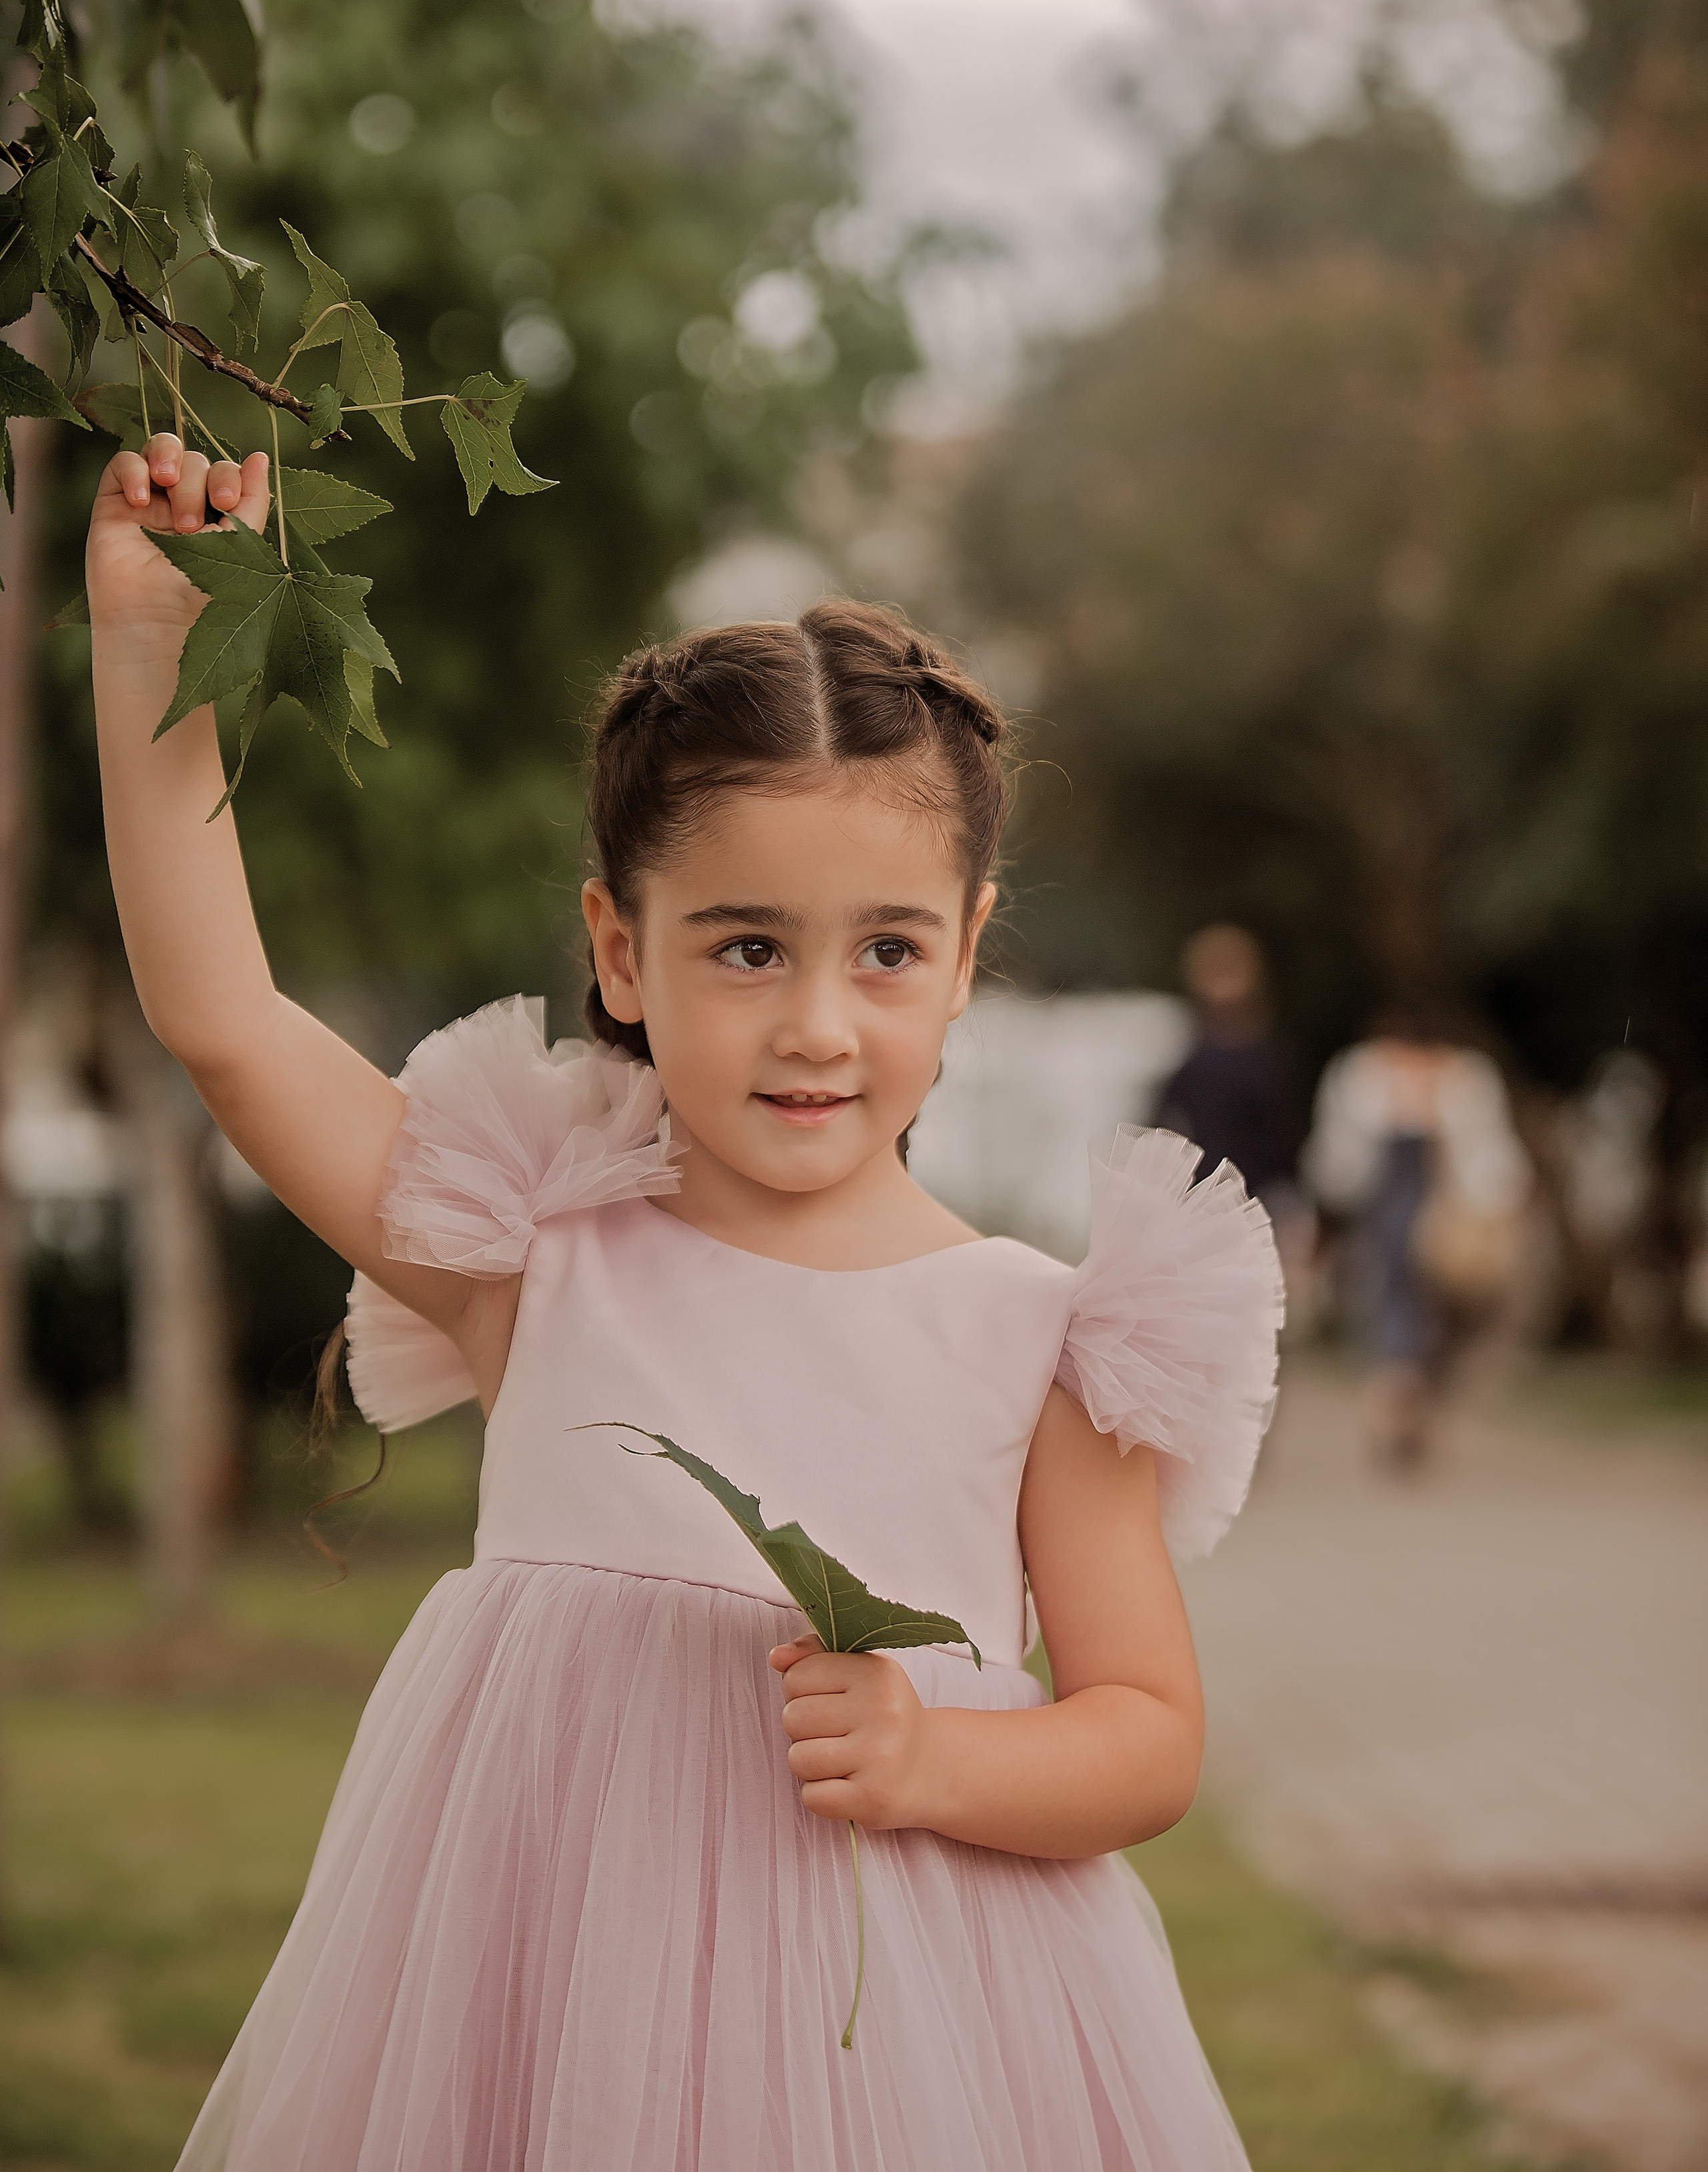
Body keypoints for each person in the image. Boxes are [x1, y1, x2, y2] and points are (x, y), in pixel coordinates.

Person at [91, 432, 1284, 2172]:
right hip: (554, 1993)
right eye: (746, 948)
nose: (816, 1023)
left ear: (964, 954)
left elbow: (1148, 1735)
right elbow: (228, 1023)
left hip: (924, 2031)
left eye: (885, 950)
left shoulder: (1046, 1339)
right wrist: (153, 651)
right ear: (620, 949)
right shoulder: (539, 1256)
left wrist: (937, 1757)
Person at [1304, 994, 1531, 1469]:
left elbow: (1335, 1163)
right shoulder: (1445, 1076)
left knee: (1402, 1316)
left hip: (1428, 1222)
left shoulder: (1368, 1074)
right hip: (1409, 1218)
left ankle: (1400, 1410)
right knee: (1405, 1316)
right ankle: (1405, 1412)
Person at [1156, 926, 1313, 1297]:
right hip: (1199, 1205)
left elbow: (1286, 1143)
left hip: (1259, 1202)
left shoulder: (1267, 1061)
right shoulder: (1188, 1062)